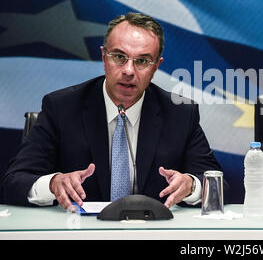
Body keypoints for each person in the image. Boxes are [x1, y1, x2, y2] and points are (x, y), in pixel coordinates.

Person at [1, 12, 227, 211]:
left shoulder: (179, 113)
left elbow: (218, 186)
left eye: (142, 61)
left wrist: (191, 185)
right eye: (119, 57)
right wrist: (53, 184)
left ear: (156, 66)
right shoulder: (62, 108)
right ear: (103, 56)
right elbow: (13, 181)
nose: (128, 70)